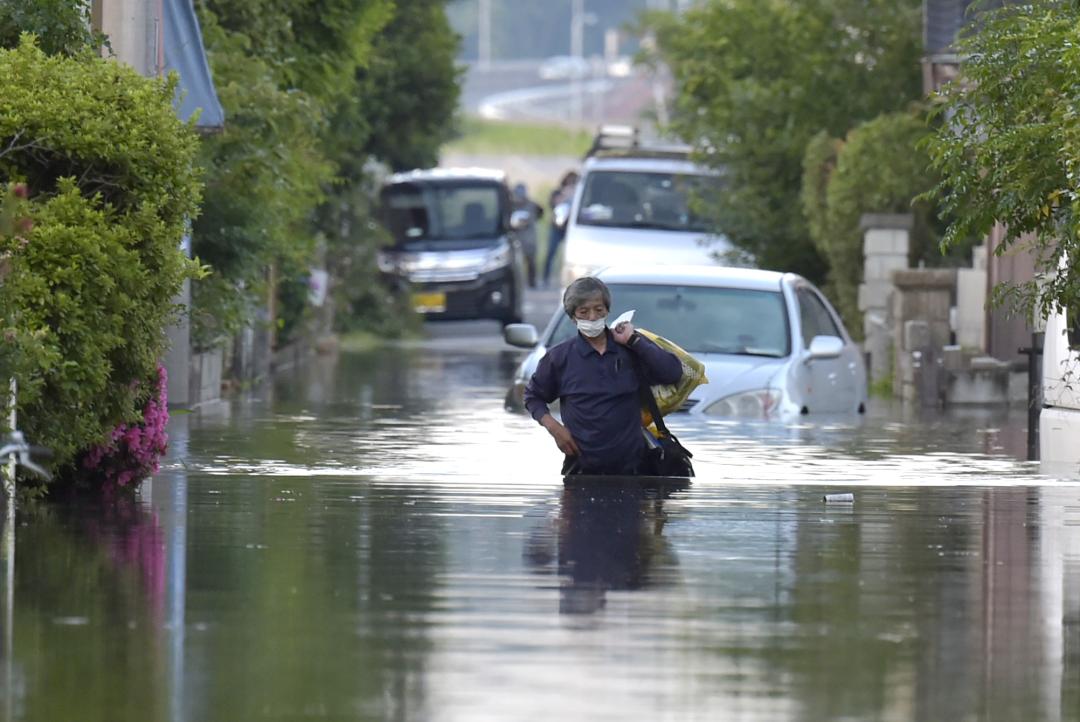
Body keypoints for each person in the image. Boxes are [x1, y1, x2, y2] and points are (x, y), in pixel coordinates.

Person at [523, 276, 683, 475]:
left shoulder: (630, 347)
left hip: (634, 471)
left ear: (607, 310)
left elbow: (672, 373)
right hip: (581, 471)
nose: (592, 317)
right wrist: (555, 429)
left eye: (598, 310)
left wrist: (634, 340)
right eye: (584, 312)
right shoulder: (559, 358)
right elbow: (532, 397)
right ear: (573, 317)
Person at [541, 170, 580, 287]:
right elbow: (553, 204)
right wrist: (565, 195)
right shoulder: (558, 192)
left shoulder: (578, 193)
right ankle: (545, 277)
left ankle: (571, 278)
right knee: (551, 252)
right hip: (557, 227)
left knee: (571, 255)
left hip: (570, 228)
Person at [511, 182, 544, 288]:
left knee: (531, 262)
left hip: (529, 239)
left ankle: (532, 282)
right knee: (514, 264)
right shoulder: (511, 206)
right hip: (516, 240)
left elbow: (541, 213)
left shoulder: (532, 205)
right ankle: (516, 283)